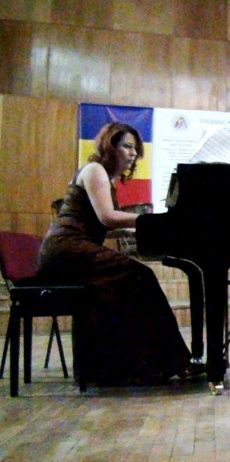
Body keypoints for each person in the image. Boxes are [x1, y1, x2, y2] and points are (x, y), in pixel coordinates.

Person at [38, 122, 203, 385]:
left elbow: (103, 225)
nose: (133, 154)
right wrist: (153, 221)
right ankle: (173, 362)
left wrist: (141, 231)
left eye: (135, 149)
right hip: (67, 249)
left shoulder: (103, 176)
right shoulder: (95, 170)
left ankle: (122, 368)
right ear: (109, 146)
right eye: (127, 146)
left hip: (70, 248)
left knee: (127, 284)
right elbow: (107, 217)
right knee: (141, 276)